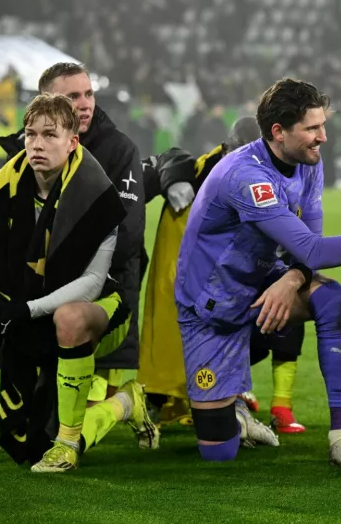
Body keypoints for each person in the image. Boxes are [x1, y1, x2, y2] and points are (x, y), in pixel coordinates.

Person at [175, 79, 341, 467]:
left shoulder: (306, 163)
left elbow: (309, 244)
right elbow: (313, 249)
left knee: (330, 296)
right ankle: (234, 414)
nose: (323, 137)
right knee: (218, 453)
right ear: (278, 132)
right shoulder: (246, 177)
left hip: (261, 289)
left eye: (322, 125)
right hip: (210, 312)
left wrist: (293, 278)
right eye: (312, 128)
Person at [0, 94, 158, 472]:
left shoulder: (97, 193)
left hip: (100, 311)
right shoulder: (1, 187)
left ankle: (79, 435)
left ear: (72, 142)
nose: (37, 144)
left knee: (70, 318)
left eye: (49, 135)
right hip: (29, 307)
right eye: (30, 134)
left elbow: (93, 282)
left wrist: (24, 310)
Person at [137, 117, 282, 446]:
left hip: (230, 290)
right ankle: (160, 404)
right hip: (196, 290)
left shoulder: (264, 182)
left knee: (287, 308)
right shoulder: (201, 174)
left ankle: (244, 404)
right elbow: (168, 158)